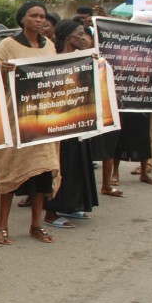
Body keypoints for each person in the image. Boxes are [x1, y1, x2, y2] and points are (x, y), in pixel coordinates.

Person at [0, 1, 62, 245]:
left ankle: (36, 225)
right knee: (10, 171)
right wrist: (2, 69)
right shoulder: (7, 45)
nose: (39, 20)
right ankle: (2, 226)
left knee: (41, 174)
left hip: (43, 120)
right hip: (15, 119)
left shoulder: (49, 45)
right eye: (33, 15)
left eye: (42, 16)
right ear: (22, 19)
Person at [42, 19, 100, 228]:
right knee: (61, 165)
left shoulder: (83, 59)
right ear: (68, 37)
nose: (84, 38)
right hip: (59, 123)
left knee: (76, 164)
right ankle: (51, 212)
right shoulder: (55, 61)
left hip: (79, 122)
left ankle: (71, 205)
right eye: (80, 34)